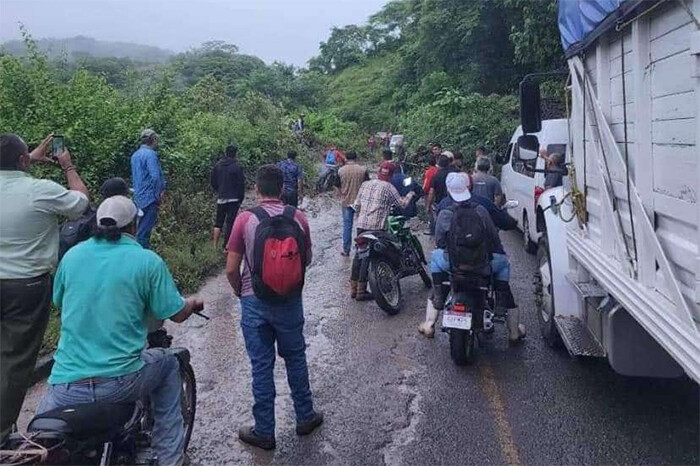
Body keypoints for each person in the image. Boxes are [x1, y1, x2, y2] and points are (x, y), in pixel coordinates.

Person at [36, 195, 203, 466]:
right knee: (169, 363)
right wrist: (192, 303)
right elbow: (176, 313)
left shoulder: (72, 257)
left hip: (63, 386)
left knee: (37, 440)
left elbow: (59, 300)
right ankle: (172, 458)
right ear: (134, 227)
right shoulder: (147, 261)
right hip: (120, 383)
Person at [225, 165, 323, 450]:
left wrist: (239, 292)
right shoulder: (299, 217)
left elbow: (232, 268)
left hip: (254, 301)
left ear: (257, 189)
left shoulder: (245, 219)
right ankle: (305, 416)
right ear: (282, 189)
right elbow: (307, 259)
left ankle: (265, 431)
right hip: (290, 301)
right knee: (295, 358)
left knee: (261, 366)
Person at [0, 134, 89, 440]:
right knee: (15, 360)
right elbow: (80, 203)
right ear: (23, 161)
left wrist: (29, 158)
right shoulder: (39, 191)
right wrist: (68, 167)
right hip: (26, 287)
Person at [420, 173, 524, 343]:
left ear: (448, 189)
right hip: (482, 265)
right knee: (503, 263)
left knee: (436, 255)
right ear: (469, 187)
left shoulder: (444, 209)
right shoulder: (481, 209)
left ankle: (434, 305)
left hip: (453, 265)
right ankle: (512, 328)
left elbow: (439, 241)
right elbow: (493, 238)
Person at [350, 163, 416, 300]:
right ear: (391, 175)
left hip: (361, 226)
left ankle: (354, 289)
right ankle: (362, 292)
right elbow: (402, 204)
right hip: (376, 229)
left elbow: (356, 206)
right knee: (388, 248)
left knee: (359, 255)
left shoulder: (365, 184)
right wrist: (410, 194)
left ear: (378, 172)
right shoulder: (389, 187)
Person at [131, 129, 166, 249]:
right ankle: (142, 257)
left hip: (138, 197)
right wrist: (158, 194)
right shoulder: (151, 154)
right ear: (153, 140)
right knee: (144, 232)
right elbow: (155, 176)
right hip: (150, 197)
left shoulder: (135, 155)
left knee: (139, 228)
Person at [210, 145, 246, 248]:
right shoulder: (237, 166)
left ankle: (214, 245)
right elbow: (241, 184)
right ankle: (226, 245)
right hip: (234, 199)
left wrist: (219, 190)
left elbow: (213, 181)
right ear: (235, 154)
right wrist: (240, 197)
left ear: (225, 153)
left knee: (218, 222)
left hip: (221, 197)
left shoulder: (218, 165)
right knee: (230, 222)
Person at [337, 151, 369, 256]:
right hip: (361, 201)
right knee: (361, 225)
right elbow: (367, 184)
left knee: (347, 226)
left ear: (346, 158)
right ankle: (362, 249)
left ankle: (346, 250)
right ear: (356, 158)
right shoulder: (363, 170)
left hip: (346, 201)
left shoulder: (341, 170)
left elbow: (337, 185)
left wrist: (341, 194)